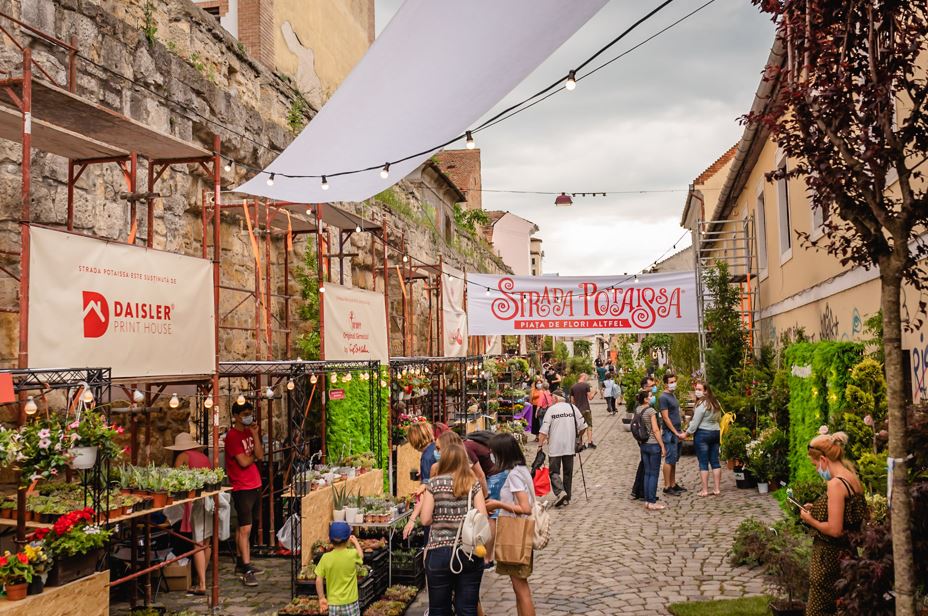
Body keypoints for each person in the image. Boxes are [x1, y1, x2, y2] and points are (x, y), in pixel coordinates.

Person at [800, 432, 867, 616]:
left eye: (815, 465)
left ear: (823, 459)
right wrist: (817, 507)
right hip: (847, 555)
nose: (817, 470)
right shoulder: (852, 477)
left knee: (818, 610)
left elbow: (835, 529)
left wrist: (809, 519)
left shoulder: (836, 484)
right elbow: (847, 516)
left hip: (829, 560)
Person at [421, 441, 487, 616]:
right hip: (468, 552)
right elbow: (482, 517)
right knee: (467, 609)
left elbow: (425, 519)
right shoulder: (472, 483)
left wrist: (440, 517)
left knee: (439, 609)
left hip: (439, 552)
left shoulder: (434, 484)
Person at [485, 433, 536, 616]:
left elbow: (525, 508)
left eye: (493, 452)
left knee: (521, 588)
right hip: (521, 533)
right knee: (518, 587)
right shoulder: (521, 469)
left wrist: (498, 504)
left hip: (516, 534)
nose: (492, 456)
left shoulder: (514, 475)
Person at [167, 432, 213, 596]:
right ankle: (200, 577)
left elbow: (174, 479)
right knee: (206, 542)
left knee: (197, 542)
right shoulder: (203, 457)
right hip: (208, 500)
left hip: (196, 502)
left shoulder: (182, 457)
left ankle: (201, 584)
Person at [225, 401, 264, 586]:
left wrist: (255, 434)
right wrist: (253, 457)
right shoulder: (232, 436)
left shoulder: (249, 432)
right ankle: (247, 568)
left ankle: (242, 562)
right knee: (245, 528)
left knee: (248, 525)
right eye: (244, 414)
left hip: (255, 483)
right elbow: (243, 462)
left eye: (249, 413)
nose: (248, 417)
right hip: (242, 486)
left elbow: (260, 454)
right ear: (236, 416)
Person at [538, 388, 587, 507]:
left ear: (555, 398)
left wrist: (540, 445)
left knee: (553, 471)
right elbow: (583, 426)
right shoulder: (572, 408)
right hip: (569, 446)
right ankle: (567, 497)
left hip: (555, 446)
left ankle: (560, 492)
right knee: (568, 473)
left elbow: (544, 430)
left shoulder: (551, 410)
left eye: (552, 398)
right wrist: (578, 438)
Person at [402, 421, 442, 540]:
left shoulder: (426, 458)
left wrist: (412, 519)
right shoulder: (435, 449)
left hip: (433, 510)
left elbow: (426, 491)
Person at [315, 521, 364, 616]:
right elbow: (361, 556)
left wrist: (321, 598)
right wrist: (356, 542)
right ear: (348, 539)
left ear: (330, 539)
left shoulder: (325, 557)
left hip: (333, 603)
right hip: (351, 602)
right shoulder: (352, 554)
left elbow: (318, 579)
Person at [686, 380, 723, 496]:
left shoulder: (702, 404)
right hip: (715, 432)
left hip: (703, 433)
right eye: (696, 389)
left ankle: (705, 490)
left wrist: (686, 433)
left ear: (706, 391)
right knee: (715, 461)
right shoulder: (716, 403)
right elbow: (719, 419)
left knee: (703, 462)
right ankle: (717, 489)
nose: (696, 391)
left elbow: (695, 422)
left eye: (699, 389)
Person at [635, 390, 667, 511]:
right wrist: (662, 445)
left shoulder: (638, 410)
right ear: (645, 399)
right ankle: (652, 501)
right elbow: (656, 430)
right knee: (654, 474)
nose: (652, 397)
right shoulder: (651, 411)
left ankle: (647, 500)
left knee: (647, 473)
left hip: (644, 444)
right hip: (653, 444)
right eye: (650, 396)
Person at [658, 373, 688, 495]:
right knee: (669, 459)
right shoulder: (663, 397)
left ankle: (673, 484)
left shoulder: (672, 395)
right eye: (671, 382)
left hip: (677, 431)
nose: (674, 384)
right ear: (665, 384)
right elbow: (665, 417)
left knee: (674, 459)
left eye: (674, 381)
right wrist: (675, 432)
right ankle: (667, 486)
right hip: (670, 433)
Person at [631, 376, 658, 500]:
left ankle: (639, 490)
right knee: (646, 466)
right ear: (644, 387)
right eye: (651, 386)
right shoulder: (641, 401)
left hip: (643, 437)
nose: (654, 388)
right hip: (645, 437)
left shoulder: (647, 399)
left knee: (644, 464)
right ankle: (641, 490)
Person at [570, 373, 595, 449]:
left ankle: (582, 443)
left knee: (581, 426)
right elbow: (590, 398)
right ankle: (590, 442)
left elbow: (572, 401)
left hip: (578, 410)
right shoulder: (586, 385)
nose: (586, 379)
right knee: (589, 425)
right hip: (586, 409)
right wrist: (594, 392)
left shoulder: (573, 387)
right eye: (586, 378)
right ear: (583, 377)